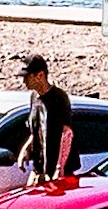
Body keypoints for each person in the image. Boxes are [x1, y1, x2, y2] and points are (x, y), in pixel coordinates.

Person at [16, 54, 76, 188]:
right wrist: (25, 150)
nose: (24, 82)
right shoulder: (34, 97)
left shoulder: (59, 98)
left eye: (27, 77)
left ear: (40, 75)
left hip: (58, 171)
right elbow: (36, 130)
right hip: (39, 168)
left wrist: (59, 168)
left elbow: (67, 133)